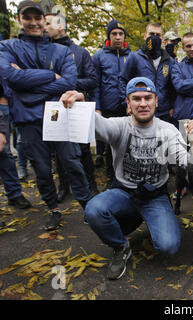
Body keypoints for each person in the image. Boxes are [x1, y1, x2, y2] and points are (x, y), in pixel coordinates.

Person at [60, 77, 193, 280]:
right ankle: (120, 246)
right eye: (136, 98)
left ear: (156, 101)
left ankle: (150, 215)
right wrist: (82, 106)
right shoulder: (119, 126)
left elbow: (185, 162)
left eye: (148, 98)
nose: (142, 103)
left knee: (169, 246)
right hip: (124, 193)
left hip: (155, 196)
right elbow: (99, 124)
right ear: (128, 103)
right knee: (93, 209)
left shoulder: (168, 130)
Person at [0, 0, 91, 230]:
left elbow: (70, 81)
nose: (33, 22)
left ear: (43, 20)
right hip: (27, 119)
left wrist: (27, 85)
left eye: (37, 18)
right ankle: (53, 208)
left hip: (58, 114)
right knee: (41, 168)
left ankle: (87, 206)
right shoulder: (8, 47)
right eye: (27, 18)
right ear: (20, 19)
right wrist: (52, 76)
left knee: (71, 162)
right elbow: (10, 78)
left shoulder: (61, 50)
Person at [45, 13, 99, 202]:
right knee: (58, 149)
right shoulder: (44, 52)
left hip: (77, 108)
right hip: (54, 107)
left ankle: (91, 185)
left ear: (60, 26)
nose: (43, 26)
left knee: (83, 149)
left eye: (48, 23)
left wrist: (68, 82)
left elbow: (93, 80)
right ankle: (64, 186)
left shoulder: (81, 52)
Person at [92, 19, 131, 188]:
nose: (117, 37)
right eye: (114, 34)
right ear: (109, 36)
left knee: (126, 143)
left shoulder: (132, 56)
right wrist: (98, 107)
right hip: (107, 108)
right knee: (110, 145)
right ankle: (111, 176)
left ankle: (127, 174)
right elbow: (96, 84)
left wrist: (131, 104)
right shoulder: (99, 55)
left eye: (120, 34)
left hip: (126, 108)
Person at [120, 22, 176, 125]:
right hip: (141, 111)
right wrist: (127, 104)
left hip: (164, 113)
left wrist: (172, 107)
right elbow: (123, 81)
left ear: (162, 39)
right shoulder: (134, 57)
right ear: (145, 36)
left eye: (158, 35)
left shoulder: (170, 61)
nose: (154, 38)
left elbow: (172, 87)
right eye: (151, 34)